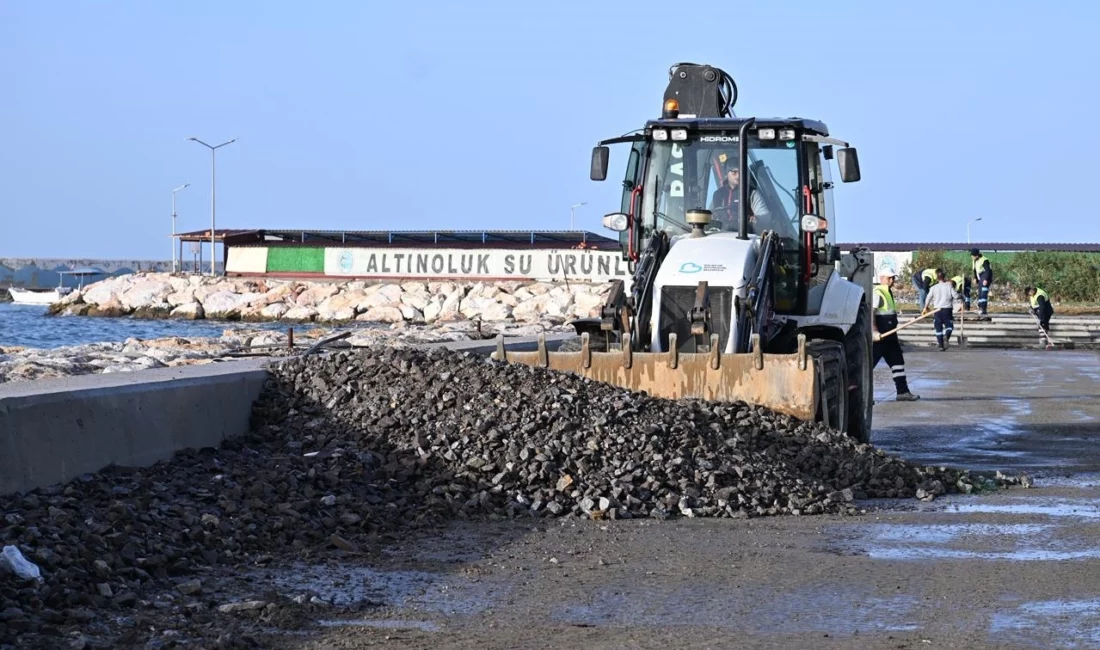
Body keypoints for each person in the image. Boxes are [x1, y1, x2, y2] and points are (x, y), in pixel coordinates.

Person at [872, 268, 920, 401]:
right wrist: (874, 331)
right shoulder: (878, 292)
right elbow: (871, 314)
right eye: (889, 278)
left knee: (897, 363)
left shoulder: (888, 292)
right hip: (880, 337)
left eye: (893, 278)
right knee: (868, 366)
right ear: (881, 278)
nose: (892, 281)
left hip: (890, 337)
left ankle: (902, 392)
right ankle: (862, 396)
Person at [708, 163, 770, 231]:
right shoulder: (718, 194)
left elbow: (765, 216)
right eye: (734, 172)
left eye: (740, 172)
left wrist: (755, 219)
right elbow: (708, 215)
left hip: (745, 235)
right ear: (726, 174)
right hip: (720, 234)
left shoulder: (751, 193)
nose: (738, 176)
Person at [924, 270, 956, 351]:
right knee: (949, 326)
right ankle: (947, 336)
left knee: (938, 328)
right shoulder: (949, 286)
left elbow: (928, 297)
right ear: (944, 277)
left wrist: (925, 307)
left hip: (937, 311)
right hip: (947, 310)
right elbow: (955, 295)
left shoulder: (933, 288)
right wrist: (961, 297)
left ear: (937, 278)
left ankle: (941, 346)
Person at [970, 248, 993, 315]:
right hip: (980, 277)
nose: (972, 257)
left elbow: (988, 270)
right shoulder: (974, 261)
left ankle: (983, 309)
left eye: (973, 256)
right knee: (980, 294)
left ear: (977, 255)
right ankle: (980, 308)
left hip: (985, 276)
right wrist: (975, 278)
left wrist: (986, 279)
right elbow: (974, 270)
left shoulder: (984, 260)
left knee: (983, 294)